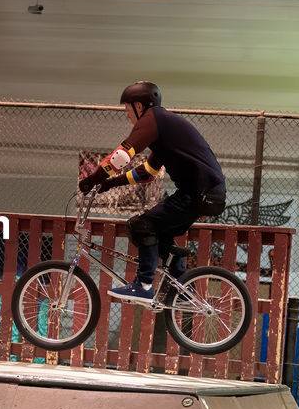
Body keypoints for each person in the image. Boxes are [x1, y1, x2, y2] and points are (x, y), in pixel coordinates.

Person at [78, 81, 226, 304]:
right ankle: (184, 288)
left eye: (128, 110)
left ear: (139, 106)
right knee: (161, 232)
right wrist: (112, 183)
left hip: (200, 193)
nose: (127, 116)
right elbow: (147, 172)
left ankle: (144, 285)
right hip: (203, 192)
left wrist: (93, 178)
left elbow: (122, 156)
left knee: (140, 225)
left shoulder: (152, 120)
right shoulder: (164, 131)